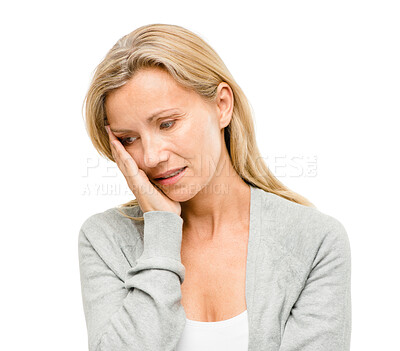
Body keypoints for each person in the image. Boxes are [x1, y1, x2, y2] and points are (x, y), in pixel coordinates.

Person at [78, 23, 352, 351]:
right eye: (128, 139)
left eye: (167, 123)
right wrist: (161, 232)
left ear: (222, 105)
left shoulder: (314, 241)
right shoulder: (105, 239)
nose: (151, 156)